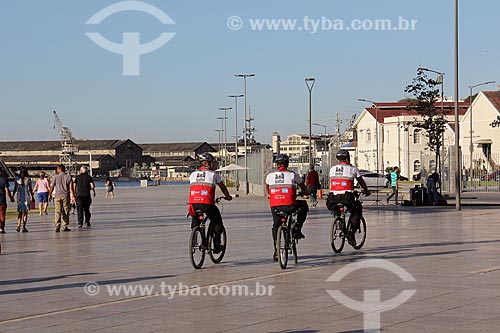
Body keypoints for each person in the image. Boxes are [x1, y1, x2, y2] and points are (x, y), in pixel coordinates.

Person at [265, 154, 309, 261]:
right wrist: (305, 193)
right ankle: (297, 228)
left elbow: (268, 189)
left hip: (275, 205)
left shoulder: (270, 176)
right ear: (287, 164)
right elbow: (303, 187)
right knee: (303, 206)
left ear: (277, 164)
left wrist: (271, 195)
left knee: (276, 224)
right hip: (289, 205)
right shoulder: (293, 175)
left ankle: (276, 250)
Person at [187, 153, 232, 253]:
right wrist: (228, 197)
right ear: (207, 163)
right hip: (207, 203)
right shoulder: (214, 174)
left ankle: (194, 237)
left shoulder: (193, 174)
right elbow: (222, 187)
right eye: (212, 163)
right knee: (217, 221)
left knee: (196, 218)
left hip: (193, 203)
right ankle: (216, 244)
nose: (213, 165)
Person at [326, 150, 370, 246]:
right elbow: (361, 181)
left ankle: (338, 220)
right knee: (357, 210)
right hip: (346, 197)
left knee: (336, 207)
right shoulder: (352, 168)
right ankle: (351, 234)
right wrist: (366, 190)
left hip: (332, 197)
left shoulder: (332, 169)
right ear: (347, 158)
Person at [48, 165, 75, 232]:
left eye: (57, 169)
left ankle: (57, 225)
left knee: (57, 211)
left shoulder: (55, 177)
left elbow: (52, 186)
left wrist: (49, 194)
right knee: (66, 211)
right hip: (66, 195)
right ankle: (64, 226)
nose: (57, 170)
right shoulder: (68, 177)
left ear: (60, 169)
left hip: (57, 196)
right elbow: (71, 188)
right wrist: (73, 196)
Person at [12, 167, 35, 232]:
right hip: (26, 196)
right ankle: (24, 227)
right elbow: (30, 189)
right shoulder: (28, 179)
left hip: (19, 196)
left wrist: (12, 196)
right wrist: (33, 197)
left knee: (20, 212)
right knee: (25, 212)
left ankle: (18, 225)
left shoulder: (17, 179)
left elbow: (15, 188)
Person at [0, 168, 15, 234]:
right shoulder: (4, 179)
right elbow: (7, 190)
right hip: (2, 199)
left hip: (2, 199)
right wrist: (11, 197)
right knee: (2, 214)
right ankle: (2, 228)